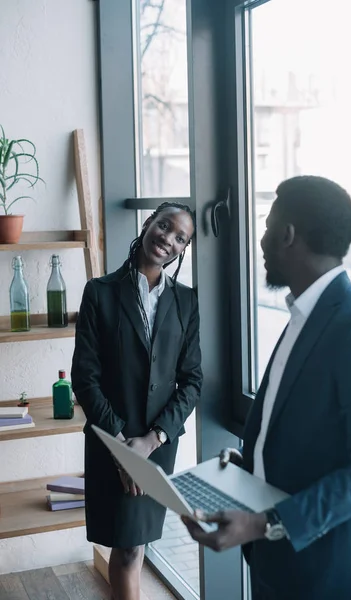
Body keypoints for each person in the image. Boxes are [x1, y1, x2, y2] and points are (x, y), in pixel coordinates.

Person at [183, 176, 351, 600]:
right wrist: (252, 463)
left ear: (288, 235)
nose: (260, 241)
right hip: (281, 568)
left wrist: (264, 523)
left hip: (334, 576)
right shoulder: (305, 314)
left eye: (266, 227)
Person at [71, 202, 202, 600]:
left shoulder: (187, 301)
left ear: (183, 249)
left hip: (156, 447)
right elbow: (85, 377)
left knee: (136, 544)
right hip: (113, 441)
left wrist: (152, 440)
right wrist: (123, 448)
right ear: (148, 224)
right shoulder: (100, 292)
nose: (168, 239)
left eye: (181, 237)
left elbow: (192, 380)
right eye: (164, 226)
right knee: (127, 547)